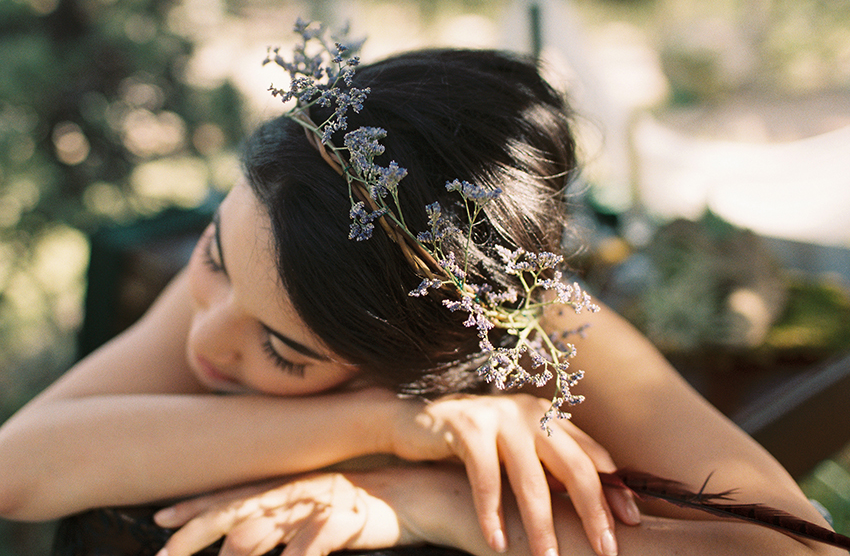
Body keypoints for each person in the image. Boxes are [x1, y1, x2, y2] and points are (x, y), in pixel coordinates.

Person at [0, 38, 842, 556]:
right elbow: (17, 469)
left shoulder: (557, 332)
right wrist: (384, 428)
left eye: (285, 351)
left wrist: (430, 502)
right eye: (210, 255)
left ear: (432, 357)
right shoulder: (255, 275)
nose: (209, 343)